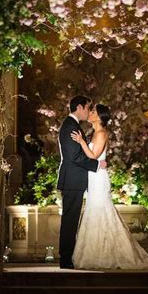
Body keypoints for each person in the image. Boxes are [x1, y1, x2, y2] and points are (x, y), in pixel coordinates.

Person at [71, 103, 148, 270]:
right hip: (94, 176)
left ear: (100, 117)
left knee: (101, 211)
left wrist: (81, 142)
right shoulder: (94, 132)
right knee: (95, 211)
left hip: (99, 179)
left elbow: (93, 155)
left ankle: (106, 254)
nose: (90, 113)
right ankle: (98, 253)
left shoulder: (101, 133)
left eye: (93, 112)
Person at [57, 95, 106, 269]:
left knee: (71, 219)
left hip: (74, 180)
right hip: (72, 180)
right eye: (87, 107)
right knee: (70, 220)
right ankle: (65, 258)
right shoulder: (71, 126)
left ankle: (67, 257)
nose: (88, 111)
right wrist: (96, 164)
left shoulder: (73, 125)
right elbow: (75, 156)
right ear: (79, 107)